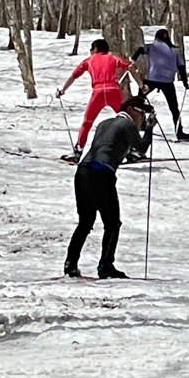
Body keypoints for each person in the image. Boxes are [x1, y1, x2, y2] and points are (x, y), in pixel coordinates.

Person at [64, 96, 157, 279]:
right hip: (101, 174)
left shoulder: (104, 122)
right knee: (112, 223)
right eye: (142, 114)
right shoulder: (127, 124)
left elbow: (113, 145)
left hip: (83, 172)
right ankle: (106, 265)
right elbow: (141, 148)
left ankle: (70, 263)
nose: (142, 118)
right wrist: (149, 129)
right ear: (131, 109)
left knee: (85, 222)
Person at [57, 39, 132, 162]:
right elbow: (129, 66)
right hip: (113, 90)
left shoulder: (89, 61)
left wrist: (62, 90)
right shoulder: (113, 58)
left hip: (98, 93)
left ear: (95, 49)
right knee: (126, 120)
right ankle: (133, 150)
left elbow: (74, 76)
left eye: (91, 49)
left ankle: (78, 151)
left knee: (87, 122)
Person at [131, 29, 189, 141]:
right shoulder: (175, 50)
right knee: (174, 107)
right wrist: (185, 82)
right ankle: (179, 132)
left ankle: (139, 124)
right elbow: (181, 67)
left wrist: (133, 60)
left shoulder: (151, 47)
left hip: (151, 79)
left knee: (139, 100)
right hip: (167, 81)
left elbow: (140, 49)